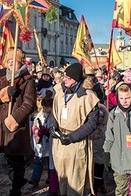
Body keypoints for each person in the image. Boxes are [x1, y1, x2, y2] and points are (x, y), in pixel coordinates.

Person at [0, 48, 37, 196]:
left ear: (20, 62)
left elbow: (29, 105)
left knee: (17, 160)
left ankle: (16, 189)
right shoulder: (3, 79)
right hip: (1, 127)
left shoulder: (28, 80)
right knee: (2, 159)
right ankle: (19, 180)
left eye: (13, 62)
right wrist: (4, 94)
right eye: (8, 61)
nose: (10, 64)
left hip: (16, 126)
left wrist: (13, 119)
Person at [49, 63, 101, 196]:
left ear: (76, 80)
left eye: (68, 78)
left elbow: (92, 124)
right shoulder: (60, 92)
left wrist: (72, 137)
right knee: (62, 178)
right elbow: (54, 113)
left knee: (75, 180)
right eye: (65, 76)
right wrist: (53, 127)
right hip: (60, 142)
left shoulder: (88, 96)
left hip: (77, 143)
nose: (64, 79)